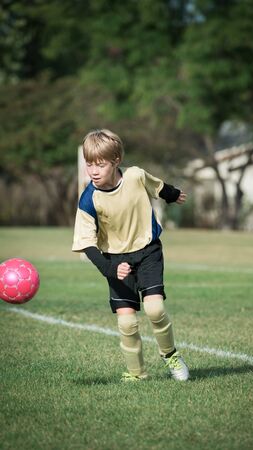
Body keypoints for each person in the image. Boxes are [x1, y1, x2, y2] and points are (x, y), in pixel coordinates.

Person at [72, 129, 189, 382]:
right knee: (126, 323)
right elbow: (87, 244)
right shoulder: (88, 199)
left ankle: (171, 356)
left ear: (116, 161)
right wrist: (110, 269)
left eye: (100, 164)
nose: (93, 170)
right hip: (115, 260)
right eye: (89, 163)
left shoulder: (135, 176)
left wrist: (173, 194)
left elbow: (157, 186)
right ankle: (137, 374)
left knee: (155, 309)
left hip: (148, 250)